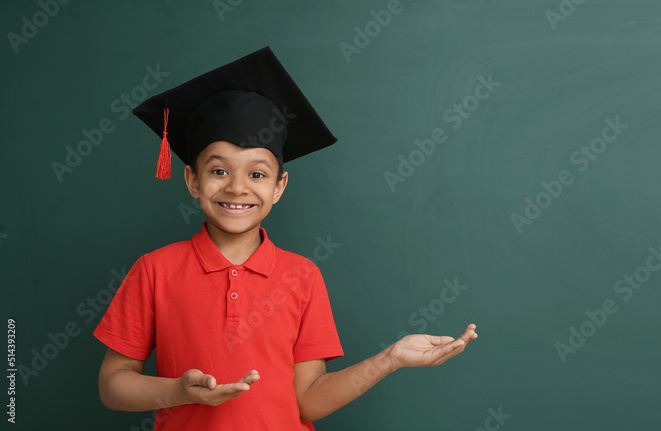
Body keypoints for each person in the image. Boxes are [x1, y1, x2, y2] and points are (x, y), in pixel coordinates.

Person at [93, 46, 477, 430]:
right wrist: (180, 391)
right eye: (219, 171)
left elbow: (307, 402)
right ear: (193, 180)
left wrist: (390, 358)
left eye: (257, 175)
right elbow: (113, 386)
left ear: (280, 186)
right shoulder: (155, 270)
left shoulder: (302, 276)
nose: (238, 188)